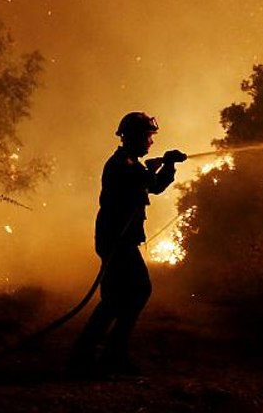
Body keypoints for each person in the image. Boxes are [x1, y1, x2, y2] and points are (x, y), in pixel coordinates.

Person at [68, 111, 186, 376]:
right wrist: (166, 164)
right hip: (117, 241)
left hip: (118, 240)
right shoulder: (123, 165)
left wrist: (163, 166)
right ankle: (106, 354)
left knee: (116, 298)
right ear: (133, 137)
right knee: (136, 291)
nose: (151, 142)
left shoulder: (127, 162)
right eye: (148, 136)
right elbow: (149, 183)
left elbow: (150, 185)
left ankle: (91, 354)